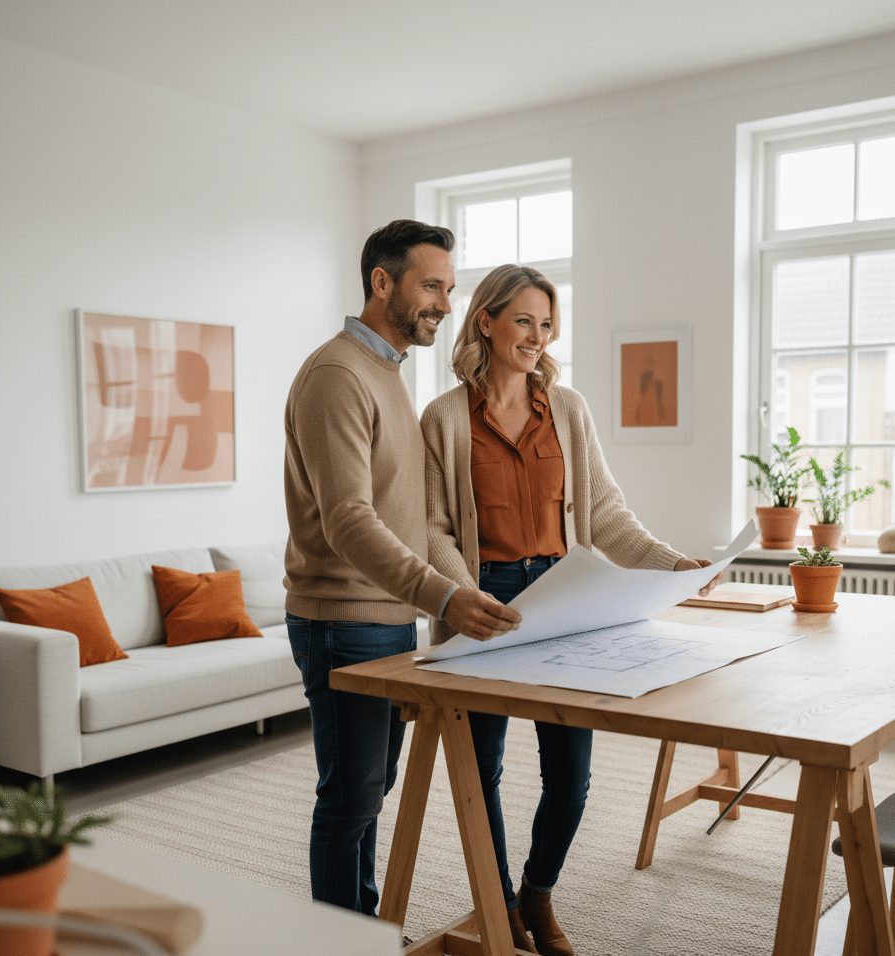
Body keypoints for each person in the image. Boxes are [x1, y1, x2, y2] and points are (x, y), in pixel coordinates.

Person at [421, 263, 720, 956]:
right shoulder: (441, 418)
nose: (537, 336)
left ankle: (538, 891)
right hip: (484, 597)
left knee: (572, 774)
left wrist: (673, 562)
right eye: (523, 320)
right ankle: (497, 909)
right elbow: (432, 526)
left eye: (546, 324)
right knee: (482, 770)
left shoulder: (569, 408)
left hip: (563, 592)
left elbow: (606, 513)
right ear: (487, 321)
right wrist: (461, 592)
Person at [283, 220, 522, 916]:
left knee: (370, 790)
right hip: (341, 619)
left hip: (386, 618)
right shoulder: (337, 375)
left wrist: (452, 591)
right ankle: (342, 937)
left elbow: (410, 518)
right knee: (350, 797)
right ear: (381, 282)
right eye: (431, 285)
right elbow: (349, 522)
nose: (445, 304)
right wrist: (443, 597)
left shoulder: (386, 374)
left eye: (449, 288)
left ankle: (358, 924)